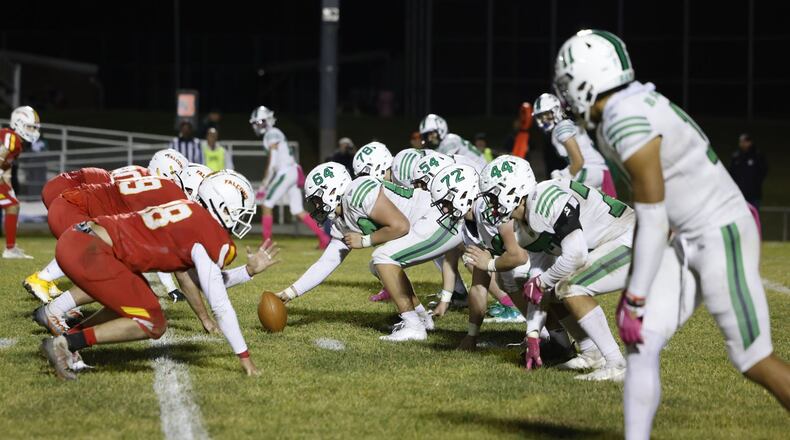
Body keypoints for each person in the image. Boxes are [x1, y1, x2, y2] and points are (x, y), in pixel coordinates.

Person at [554, 29, 790, 439]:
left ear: (586, 79)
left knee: (752, 358)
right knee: (642, 342)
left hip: (719, 233)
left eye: (566, 84)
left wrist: (636, 294)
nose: (566, 96)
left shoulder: (625, 118)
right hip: (683, 236)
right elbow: (651, 212)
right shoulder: (624, 110)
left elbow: (652, 213)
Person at [39, 171, 270, 380]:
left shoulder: (184, 210)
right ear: (222, 206)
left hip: (83, 237)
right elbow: (220, 305)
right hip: (90, 249)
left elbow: (206, 281)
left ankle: (67, 341)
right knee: (154, 322)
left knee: (141, 301)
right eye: (239, 212)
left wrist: (248, 271)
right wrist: (245, 358)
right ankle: (65, 342)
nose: (241, 219)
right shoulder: (205, 232)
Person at [472, 155, 633, 380]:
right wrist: (533, 332)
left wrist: (542, 282)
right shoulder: (526, 224)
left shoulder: (546, 198)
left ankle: (617, 364)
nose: (491, 204)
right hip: (612, 242)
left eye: (492, 196)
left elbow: (576, 255)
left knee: (571, 287)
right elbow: (539, 281)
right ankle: (592, 352)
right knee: (555, 288)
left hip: (632, 238)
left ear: (512, 190)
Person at [276, 162, 463, 342]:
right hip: (428, 222)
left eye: (317, 200)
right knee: (378, 264)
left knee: (382, 258)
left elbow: (400, 226)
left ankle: (413, 326)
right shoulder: (342, 219)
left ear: (332, 190)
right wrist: (290, 293)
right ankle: (421, 318)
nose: (316, 206)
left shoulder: (357, 192)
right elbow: (327, 262)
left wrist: (365, 240)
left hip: (442, 218)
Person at [24, 150, 189, 304]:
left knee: (88, 245)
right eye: (177, 175)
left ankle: (48, 280)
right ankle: (43, 280)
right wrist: (170, 288)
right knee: (91, 248)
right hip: (73, 195)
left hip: (68, 187)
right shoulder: (153, 188)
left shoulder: (141, 174)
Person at [250, 105, 329, 248]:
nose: (257, 125)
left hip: (285, 172)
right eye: (256, 123)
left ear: (267, 120)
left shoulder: (272, 133)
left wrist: (264, 184)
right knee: (297, 210)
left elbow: (273, 162)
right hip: (292, 171)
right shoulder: (274, 132)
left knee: (267, 204)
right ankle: (324, 237)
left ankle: (266, 242)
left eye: (260, 122)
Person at [533, 93, 617, 196]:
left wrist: (564, 175)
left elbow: (578, 161)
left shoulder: (561, 127)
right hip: (598, 170)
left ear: (556, 110)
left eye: (547, 114)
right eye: (541, 117)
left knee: (557, 190)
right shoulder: (565, 124)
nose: (544, 119)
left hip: (590, 171)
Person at [1, 106, 40, 259]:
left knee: (13, 205)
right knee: (12, 206)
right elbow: (1, 155)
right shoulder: (10, 137)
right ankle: (10, 249)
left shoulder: (17, 144)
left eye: (34, 128)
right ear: (18, 124)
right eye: (30, 127)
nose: (33, 131)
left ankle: (10, 248)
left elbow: (6, 166)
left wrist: (8, 186)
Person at [419, 114, 487, 169]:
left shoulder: (451, 140)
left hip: (480, 169)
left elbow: (444, 165)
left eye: (431, 134)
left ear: (441, 130)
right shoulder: (438, 146)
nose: (429, 139)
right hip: (470, 170)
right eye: (426, 136)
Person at [728, 133, 767, 209]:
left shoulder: (757, 155)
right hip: (739, 194)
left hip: (754, 195)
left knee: (753, 214)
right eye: (741, 142)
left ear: (750, 142)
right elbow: (731, 172)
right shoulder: (736, 156)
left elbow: (763, 170)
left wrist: (756, 182)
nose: (743, 144)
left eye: (745, 142)